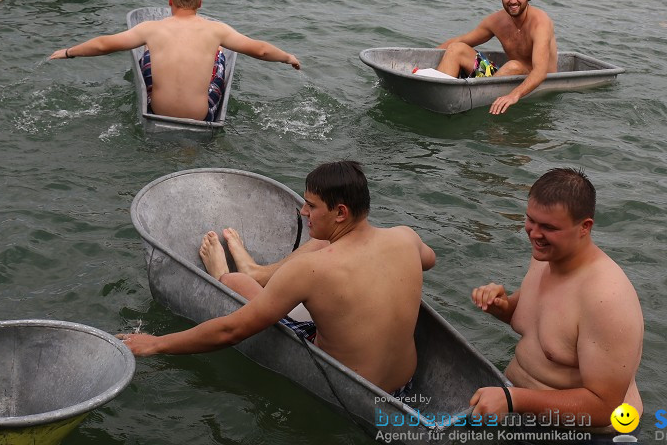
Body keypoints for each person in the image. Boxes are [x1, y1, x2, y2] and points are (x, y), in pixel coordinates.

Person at [118, 161, 437, 396]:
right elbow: (429, 260)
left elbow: (231, 331)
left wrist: (156, 344)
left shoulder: (311, 269)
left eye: (311, 206)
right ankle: (256, 271)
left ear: (341, 212)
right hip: (403, 387)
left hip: (351, 387)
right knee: (327, 243)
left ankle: (225, 275)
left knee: (241, 288)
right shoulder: (405, 238)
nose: (302, 212)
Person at [468, 169, 643, 433]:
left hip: (587, 434)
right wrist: (503, 307)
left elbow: (605, 407)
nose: (534, 234)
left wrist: (513, 399)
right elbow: (539, 324)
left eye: (549, 227)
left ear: (585, 227)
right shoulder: (546, 256)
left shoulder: (607, 298)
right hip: (519, 409)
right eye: (531, 220)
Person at [49, 0, 301, 122]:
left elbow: (104, 44)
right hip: (201, 116)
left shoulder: (151, 28)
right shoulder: (216, 30)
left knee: (148, 51)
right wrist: (287, 56)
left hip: (158, 110)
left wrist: (68, 52)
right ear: (200, 3)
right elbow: (261, 50)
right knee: (220, 54)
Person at [435, 0, 557, 115]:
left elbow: (540, 72)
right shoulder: (497, 21)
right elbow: (461, 40)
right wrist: (425, 59)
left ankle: (471, 101)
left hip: (535, 81)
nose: (513, 1)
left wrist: (514, 96)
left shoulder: (540, 23)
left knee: (514, 65)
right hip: (502, 77)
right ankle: (437, 96)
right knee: (456, 48)